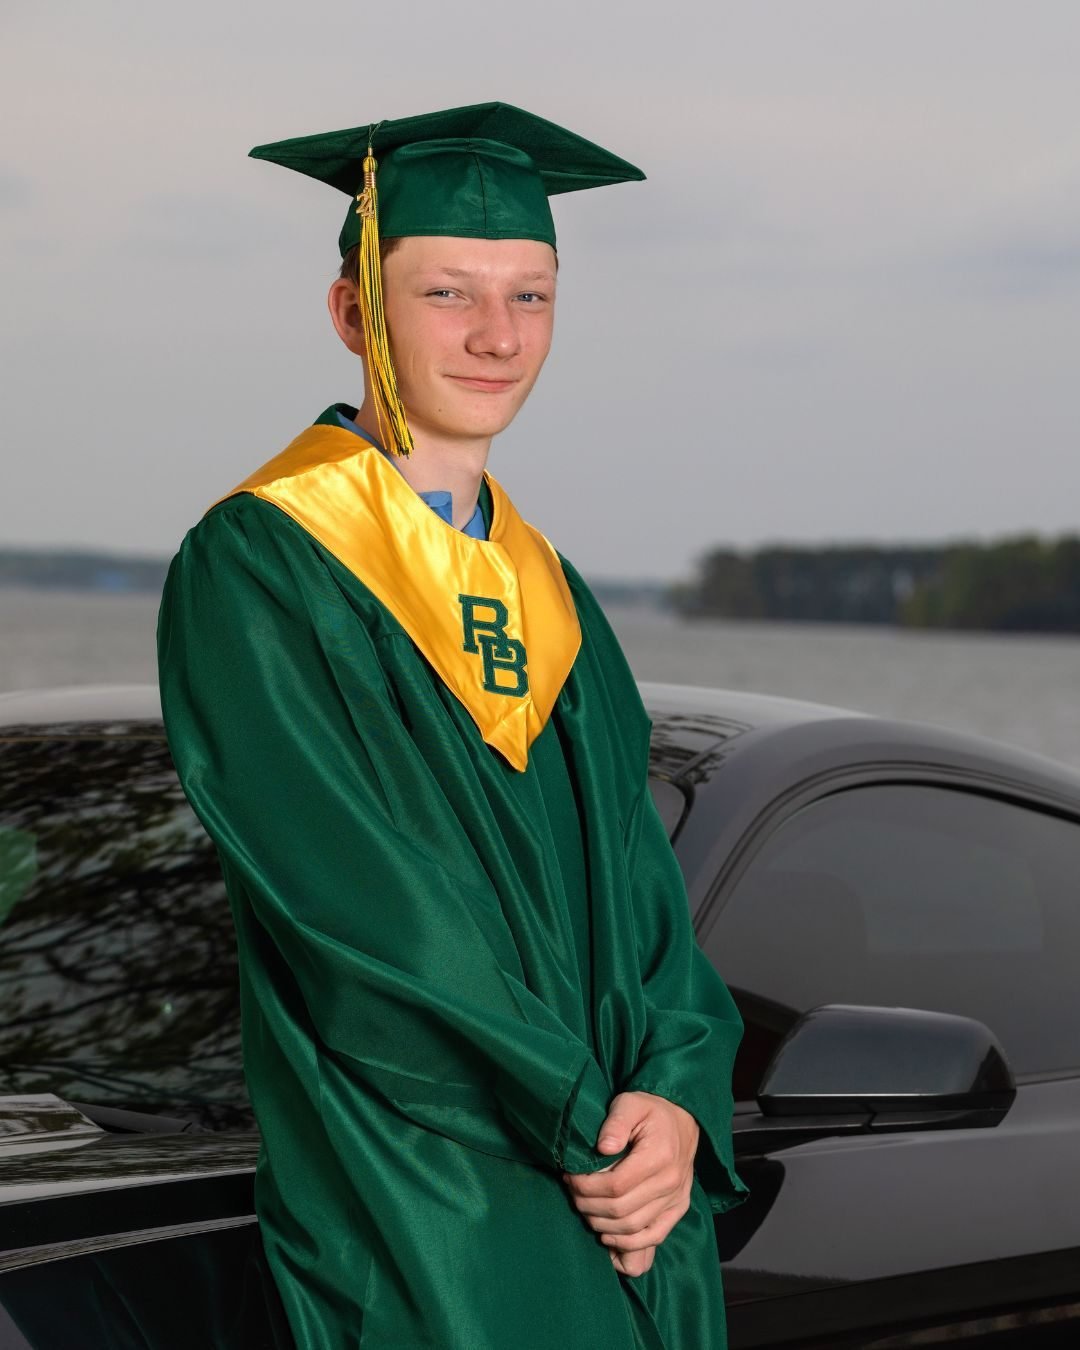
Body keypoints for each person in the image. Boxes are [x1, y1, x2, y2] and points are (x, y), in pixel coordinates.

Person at [157, 100, 749, 1350]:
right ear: (350, 312)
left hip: (632, 1203)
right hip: (428, 1206)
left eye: (530, 297)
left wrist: (680, 1103)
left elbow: (645, 905)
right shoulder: (264, 565)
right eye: (447, 294)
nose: (497, 336)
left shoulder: (557, 595)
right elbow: (361, 914)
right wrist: (586, 1121)